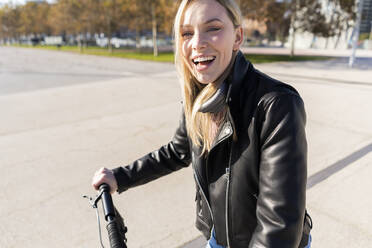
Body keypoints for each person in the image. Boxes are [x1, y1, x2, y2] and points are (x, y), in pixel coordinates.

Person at [92, 0, 312, 247]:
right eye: (187, 33)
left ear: (238, 37)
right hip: (218, 239)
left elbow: (279, 227)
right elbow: (177, 151)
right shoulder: (198, 97)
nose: (197, 43)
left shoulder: (277, 105)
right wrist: (120, 177)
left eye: (213, 28)